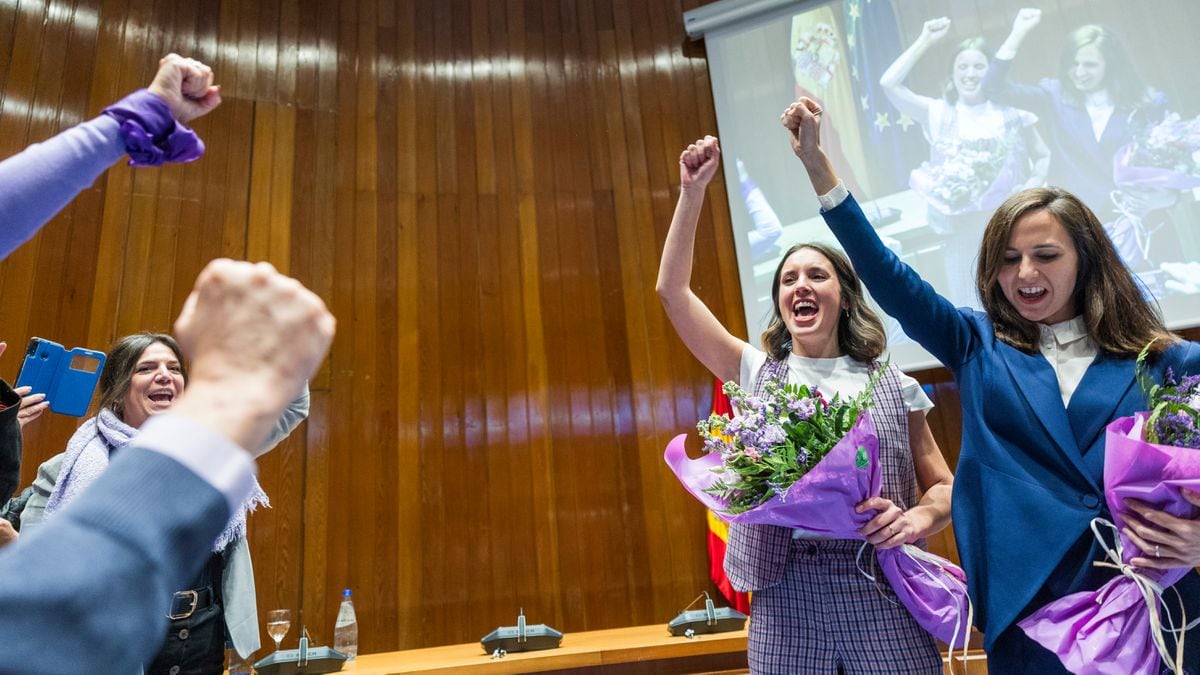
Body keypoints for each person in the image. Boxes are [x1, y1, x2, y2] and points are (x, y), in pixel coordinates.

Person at [781, 97, 1200, 672]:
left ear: (1087, 260)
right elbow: (887, 274)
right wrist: (817, 168)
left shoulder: (1165, 361)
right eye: (1007, 260)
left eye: (1045, 255)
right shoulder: (975, 345)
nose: (1024, 274)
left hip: (1151, 609)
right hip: (1031, 612)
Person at [656, 135, 954, 673]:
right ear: (778, 301)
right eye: (788, 278)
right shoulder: (752, 371)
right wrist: (692, 192)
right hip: (783, 592)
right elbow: (672, 293)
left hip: (879, 584)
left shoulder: (893, 383)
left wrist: (915, 521)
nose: (801, 285)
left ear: (844, 296)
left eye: (817, 275)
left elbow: (945, 487)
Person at [0, 258, 334, 673]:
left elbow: (293, 406)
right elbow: (41, 564)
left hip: (203, 639)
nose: (165, 377)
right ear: (119, 393)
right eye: (147, 369)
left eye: (175, 368)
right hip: (126, 647)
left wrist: (278, 345)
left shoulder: (209, 450)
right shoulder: (65, 467)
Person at [880, 17, 1049, 308]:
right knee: (970, 312)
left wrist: (1033, 185)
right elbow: (888, 83)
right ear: (952, 73)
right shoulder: (939, 112)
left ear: (992, 71)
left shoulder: (1010, 111)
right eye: (963, 66)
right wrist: (925, 40)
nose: (970, 74)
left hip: (1011, 232)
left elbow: (1042, 154)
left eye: (979, 66)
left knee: (1018, 309)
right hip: (959, 237)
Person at [983, 8, 1165, 217]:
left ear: (1112, 65)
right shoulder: (1053, 95)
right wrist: (1017, 33)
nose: (1079, 72)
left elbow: (1169, 171)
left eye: (1090, 65)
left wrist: (1161, 200)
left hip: (1145, 223)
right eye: (1073, 64)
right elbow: (992, 88)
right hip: (1082, 225)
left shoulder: (1148, 103)